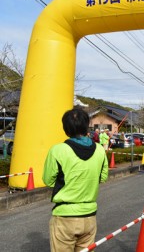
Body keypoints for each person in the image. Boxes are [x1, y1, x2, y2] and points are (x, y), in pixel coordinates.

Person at [42, 108, 108, 252]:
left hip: (65, 216)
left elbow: (48, 180)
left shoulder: (57, 150)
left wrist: (67, 182)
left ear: (66, 128)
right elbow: (102, 177)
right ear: (87, 126)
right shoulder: (100, 150)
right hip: (89, 216)